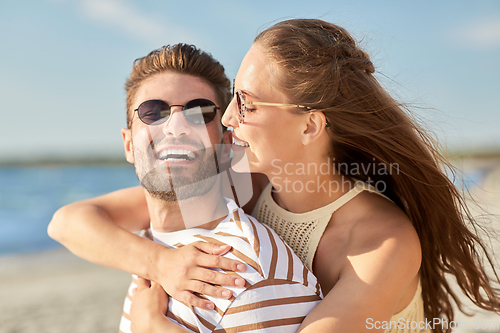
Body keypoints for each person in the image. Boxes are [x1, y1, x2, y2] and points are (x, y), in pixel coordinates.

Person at [48, 19, 500, 333]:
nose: (225, 118)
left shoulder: (380, 242)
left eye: (247, 103)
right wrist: (159, 263)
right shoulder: (248, 176)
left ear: (309, 125)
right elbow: (70, 221)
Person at [51, 43, 321, 333]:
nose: (175, 126)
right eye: (153, 112)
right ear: (128, 144)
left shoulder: (247, 274)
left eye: (200, 111)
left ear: (227, 145)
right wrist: (158, 261)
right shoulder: (154, 242)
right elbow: (64, 223)